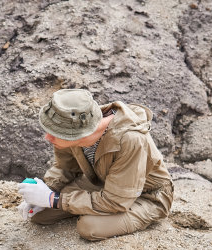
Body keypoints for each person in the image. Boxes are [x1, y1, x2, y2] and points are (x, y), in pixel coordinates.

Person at [18, 88, 173, 241]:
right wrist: (46, 190)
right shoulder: (74, 122)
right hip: (102, 181)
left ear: (78, 134)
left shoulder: (130, 140)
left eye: (54, 133)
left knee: (89, 227)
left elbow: (116, 201)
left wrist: (53, 199)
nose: (48, 137)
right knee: (39, 214)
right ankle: (91, 205)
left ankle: (98, 209)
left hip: (146, 195)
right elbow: (65, 167)